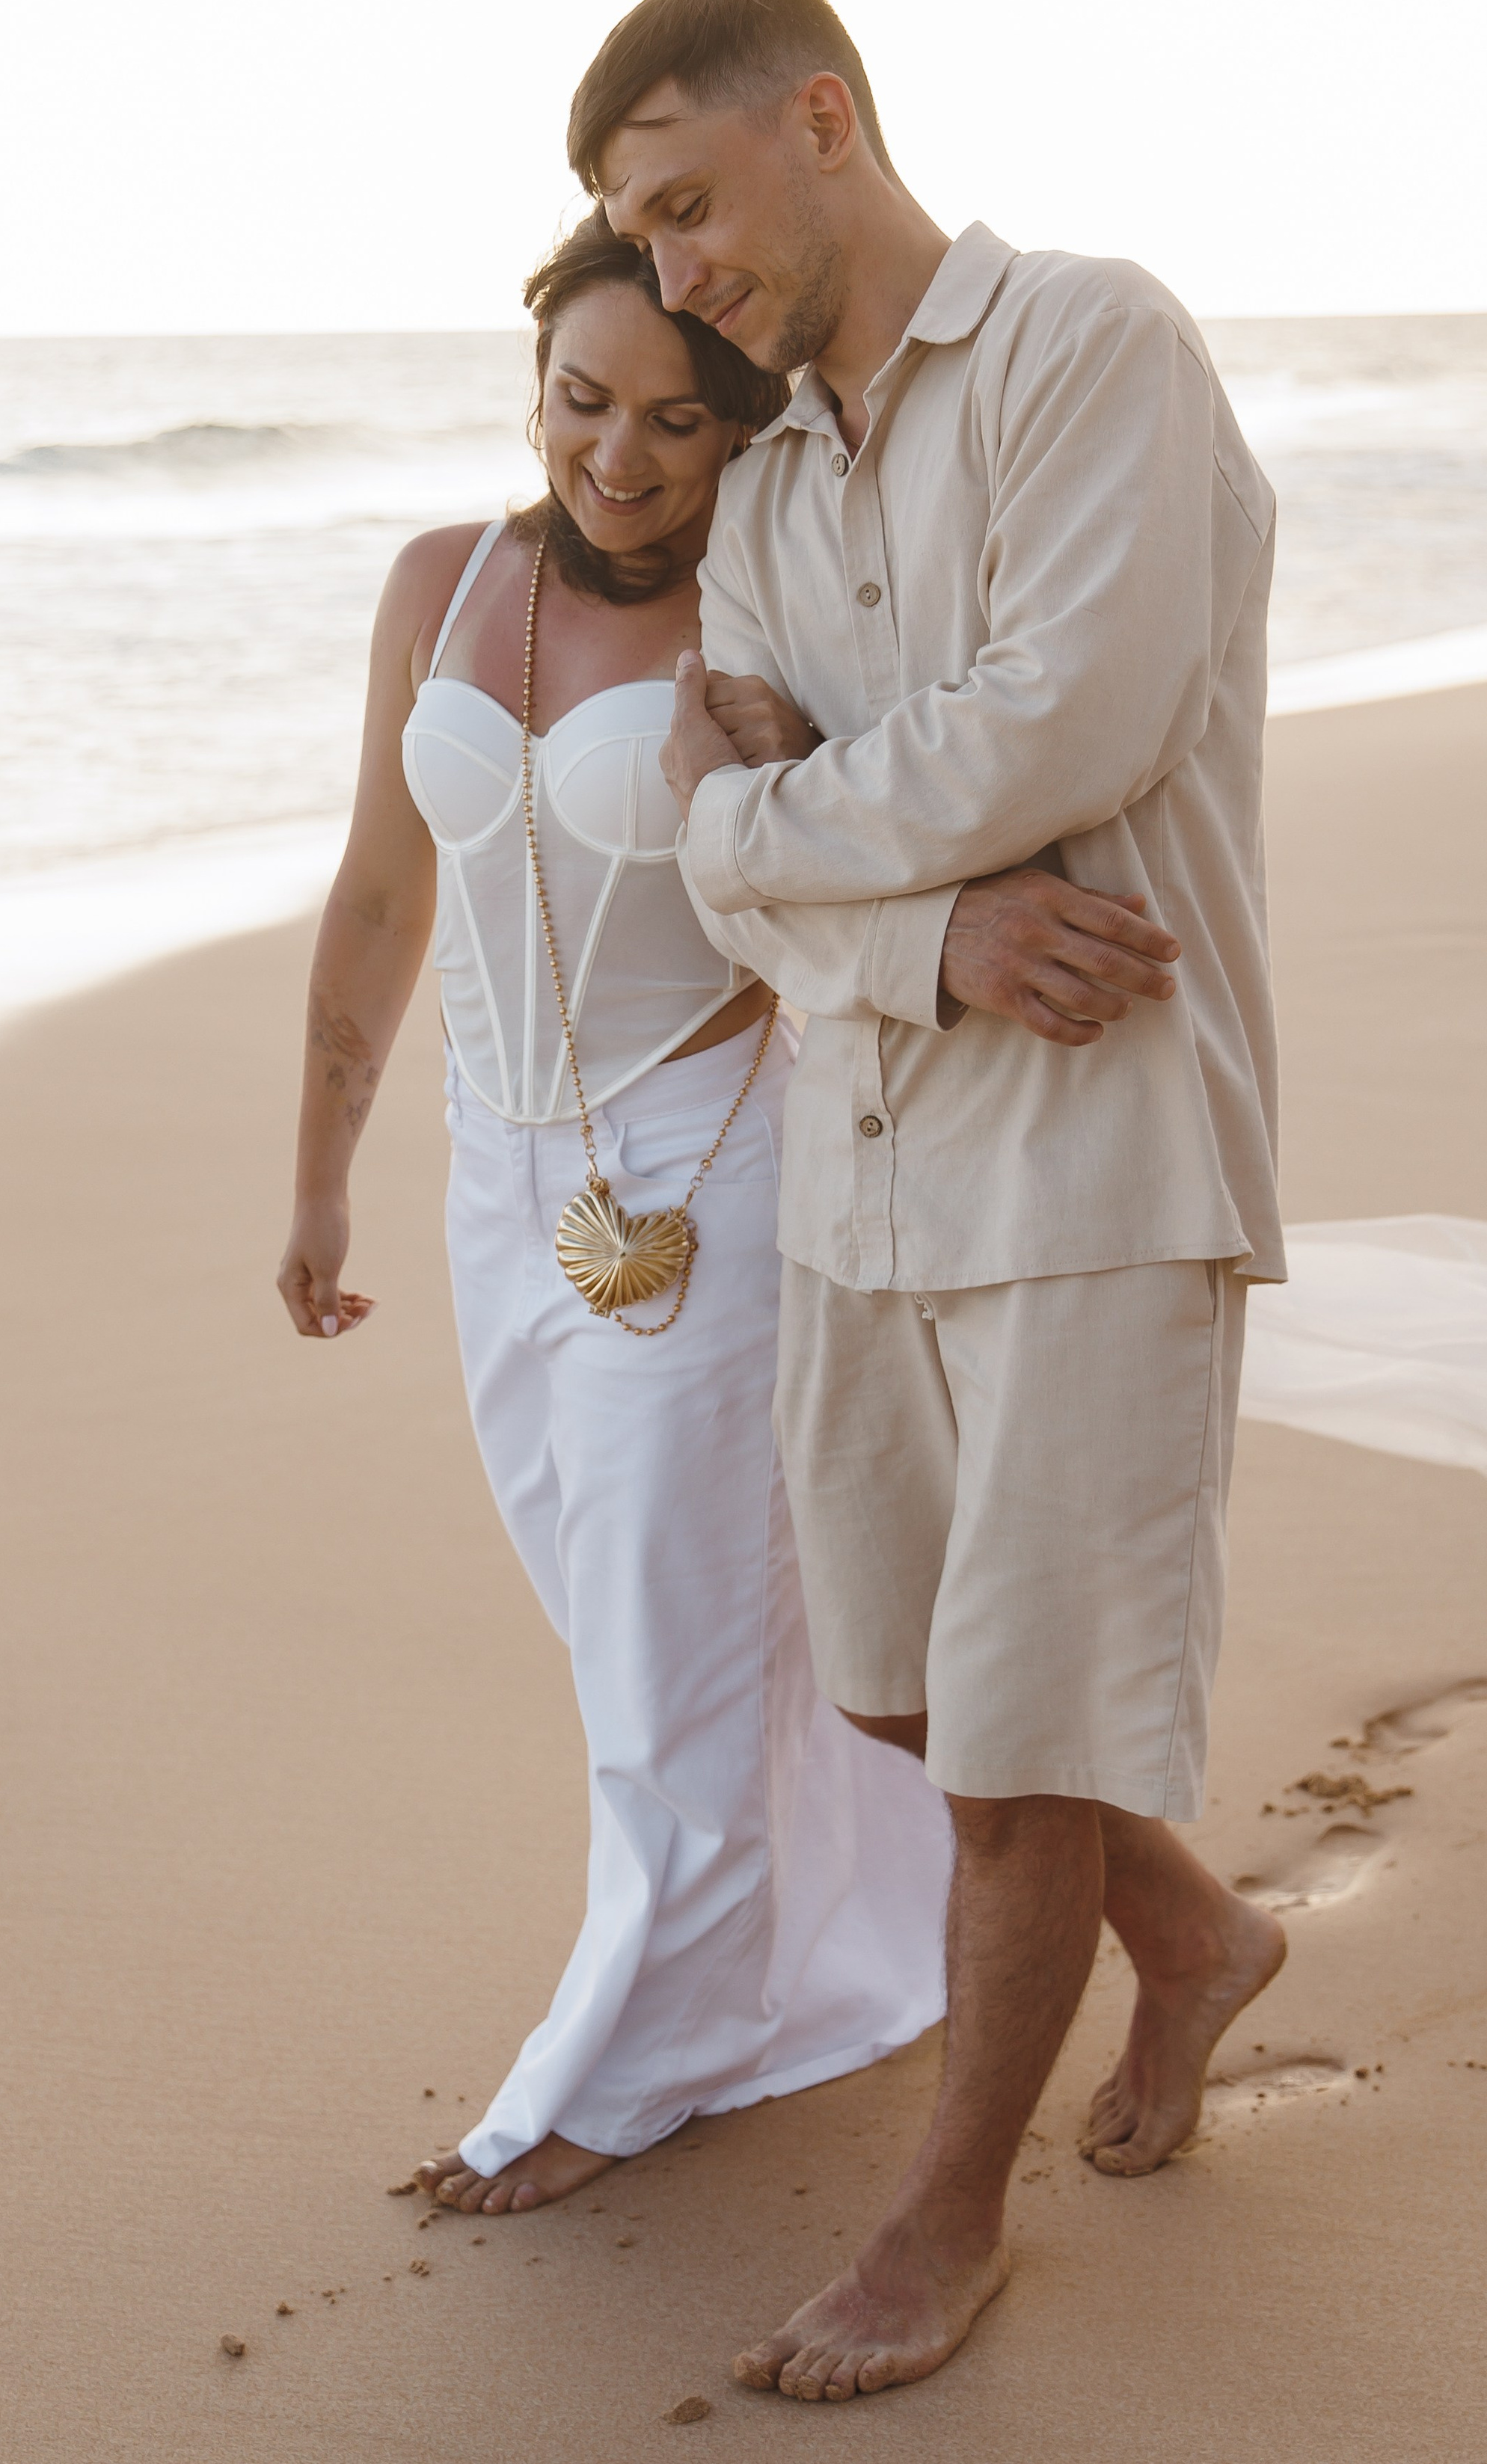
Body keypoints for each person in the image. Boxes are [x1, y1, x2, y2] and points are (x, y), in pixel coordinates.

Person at [276, 211, 1148, 2213]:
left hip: (713, 1168)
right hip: (497, 1177)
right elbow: (383, 892)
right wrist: (321, 1174)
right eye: (584, 401)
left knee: (675, 1660)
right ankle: (1153, 1917)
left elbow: (862, 861)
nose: (620, 455)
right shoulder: (441, 581)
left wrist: (928, 896)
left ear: (743, 431)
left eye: (677, 420)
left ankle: (623, 2071)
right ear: (535, 390)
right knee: (651, 1631)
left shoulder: (771, 621)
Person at [571, 0, 1289, 2394]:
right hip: (865, 1163)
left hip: (1101, 1147)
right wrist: (932, 928)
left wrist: (771, 819)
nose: (678, 272)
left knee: (1014, 1749)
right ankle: (1197, 1934)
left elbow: (1059, 721)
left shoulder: (1094, 344)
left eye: (689, 206)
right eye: (638, 244)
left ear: (823, 119)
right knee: (898, 1691)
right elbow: (741, 880)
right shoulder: (771, 483)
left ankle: (943, 2226)